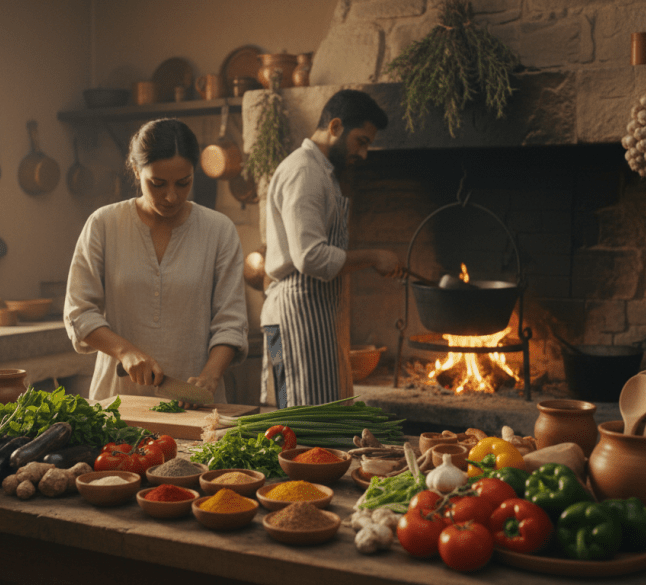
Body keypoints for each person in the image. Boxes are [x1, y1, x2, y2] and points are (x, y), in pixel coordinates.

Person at [64, 118, 248, 403]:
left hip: (196, 404)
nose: (172, 196)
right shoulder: (104, 224)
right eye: (158, 184)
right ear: (136, 171)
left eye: (183, 183)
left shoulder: (218, 230)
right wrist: (125, 351)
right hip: (119, 402)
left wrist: (211, 375)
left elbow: (231, 322)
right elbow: (78, 312)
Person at [261, 89, 402, 408]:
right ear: (335, 126)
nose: (364, 154)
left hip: (313, 313)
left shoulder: (322, 172)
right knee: (300, 425)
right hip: (296, 316)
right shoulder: (305, 172)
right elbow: (310, 257)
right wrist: (373, 256)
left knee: (322, 422)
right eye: (361, 141)